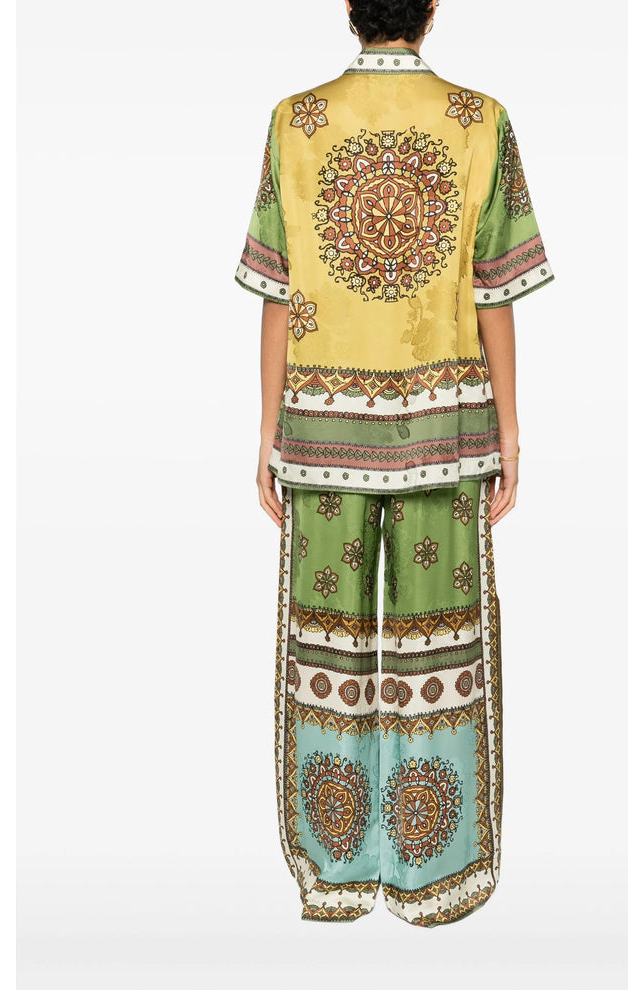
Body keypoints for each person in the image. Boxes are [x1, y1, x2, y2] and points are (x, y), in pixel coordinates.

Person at [234, 0, 553, 927]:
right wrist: (510, 432)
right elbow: (496, 293)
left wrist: (269, 431)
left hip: (320, 434)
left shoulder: (295, 122)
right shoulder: (480, 121)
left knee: (324, 654)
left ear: (349, 7)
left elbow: (276, 293)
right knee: (440, 653)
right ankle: (432, 869)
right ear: (432, 7)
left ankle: (334, 870)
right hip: (445, 435)